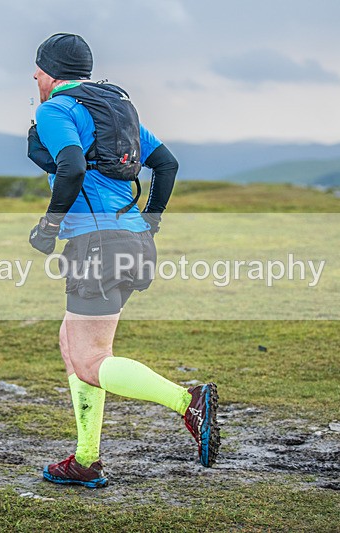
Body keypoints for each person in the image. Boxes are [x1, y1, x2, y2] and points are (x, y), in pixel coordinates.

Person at [27, 33, 220, 488]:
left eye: (37, 68)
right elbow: (167, 164)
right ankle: (85, 459)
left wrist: (49, 226)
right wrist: (150, 221)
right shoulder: (116, 107)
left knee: (91, 358)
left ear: (51, 71)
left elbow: (71, 167)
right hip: (134, 241)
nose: (34, 76)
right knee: (73, 346)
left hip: (96, 246)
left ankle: (187, 401)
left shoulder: (56, 109)